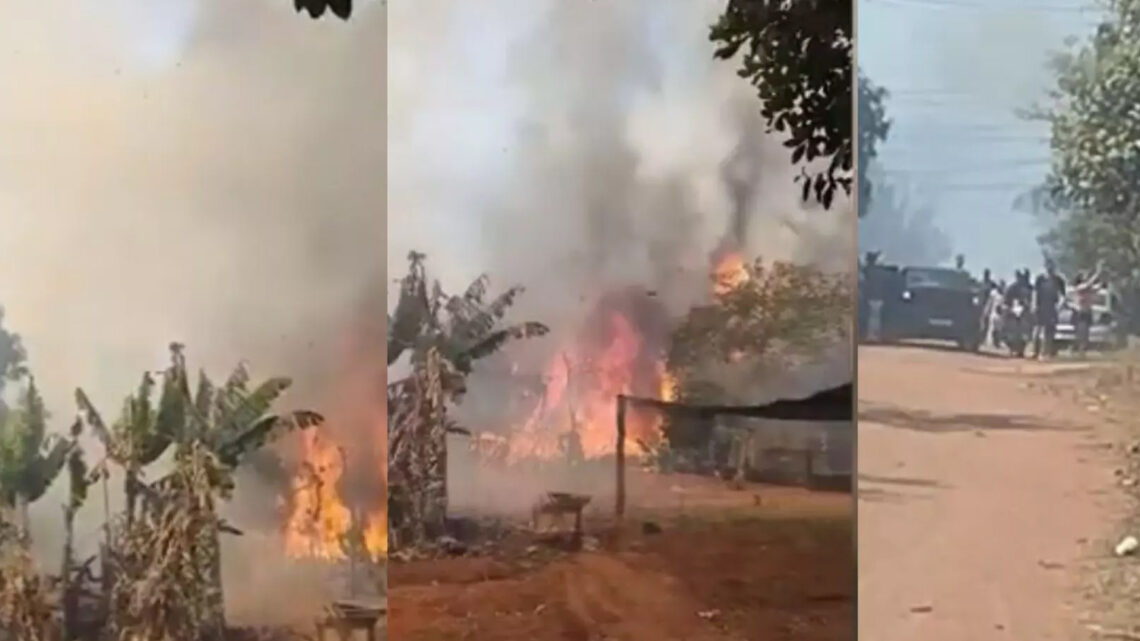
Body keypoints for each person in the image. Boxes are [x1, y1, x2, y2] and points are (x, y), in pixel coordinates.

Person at [1033, 259, 1066, 359]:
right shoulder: (1040, 279)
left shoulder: (1058, 280)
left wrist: (1060, 305)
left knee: (1049, 331)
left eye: (1051, 266)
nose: (1049, 268)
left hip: (1052, 307)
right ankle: (1035, 351)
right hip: (1041, 306)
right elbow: (1035, 292)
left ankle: (1046, 352)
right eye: (1047, 266)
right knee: (1037, 330)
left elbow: (1063, 295)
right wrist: (1034, 305)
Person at [1072, 261, 1104, 357]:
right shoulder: (1079, 287)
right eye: (1084, 275)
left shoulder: (1088, 288)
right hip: (1080, 312)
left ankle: (1083, 350)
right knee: (1081, 332)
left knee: (1086, 333)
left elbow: (1097, 287)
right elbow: (1089, 284)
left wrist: (1102, 279)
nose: (1086, 276)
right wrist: (1098, 272)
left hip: (1087, 312)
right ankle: (1079, 349)